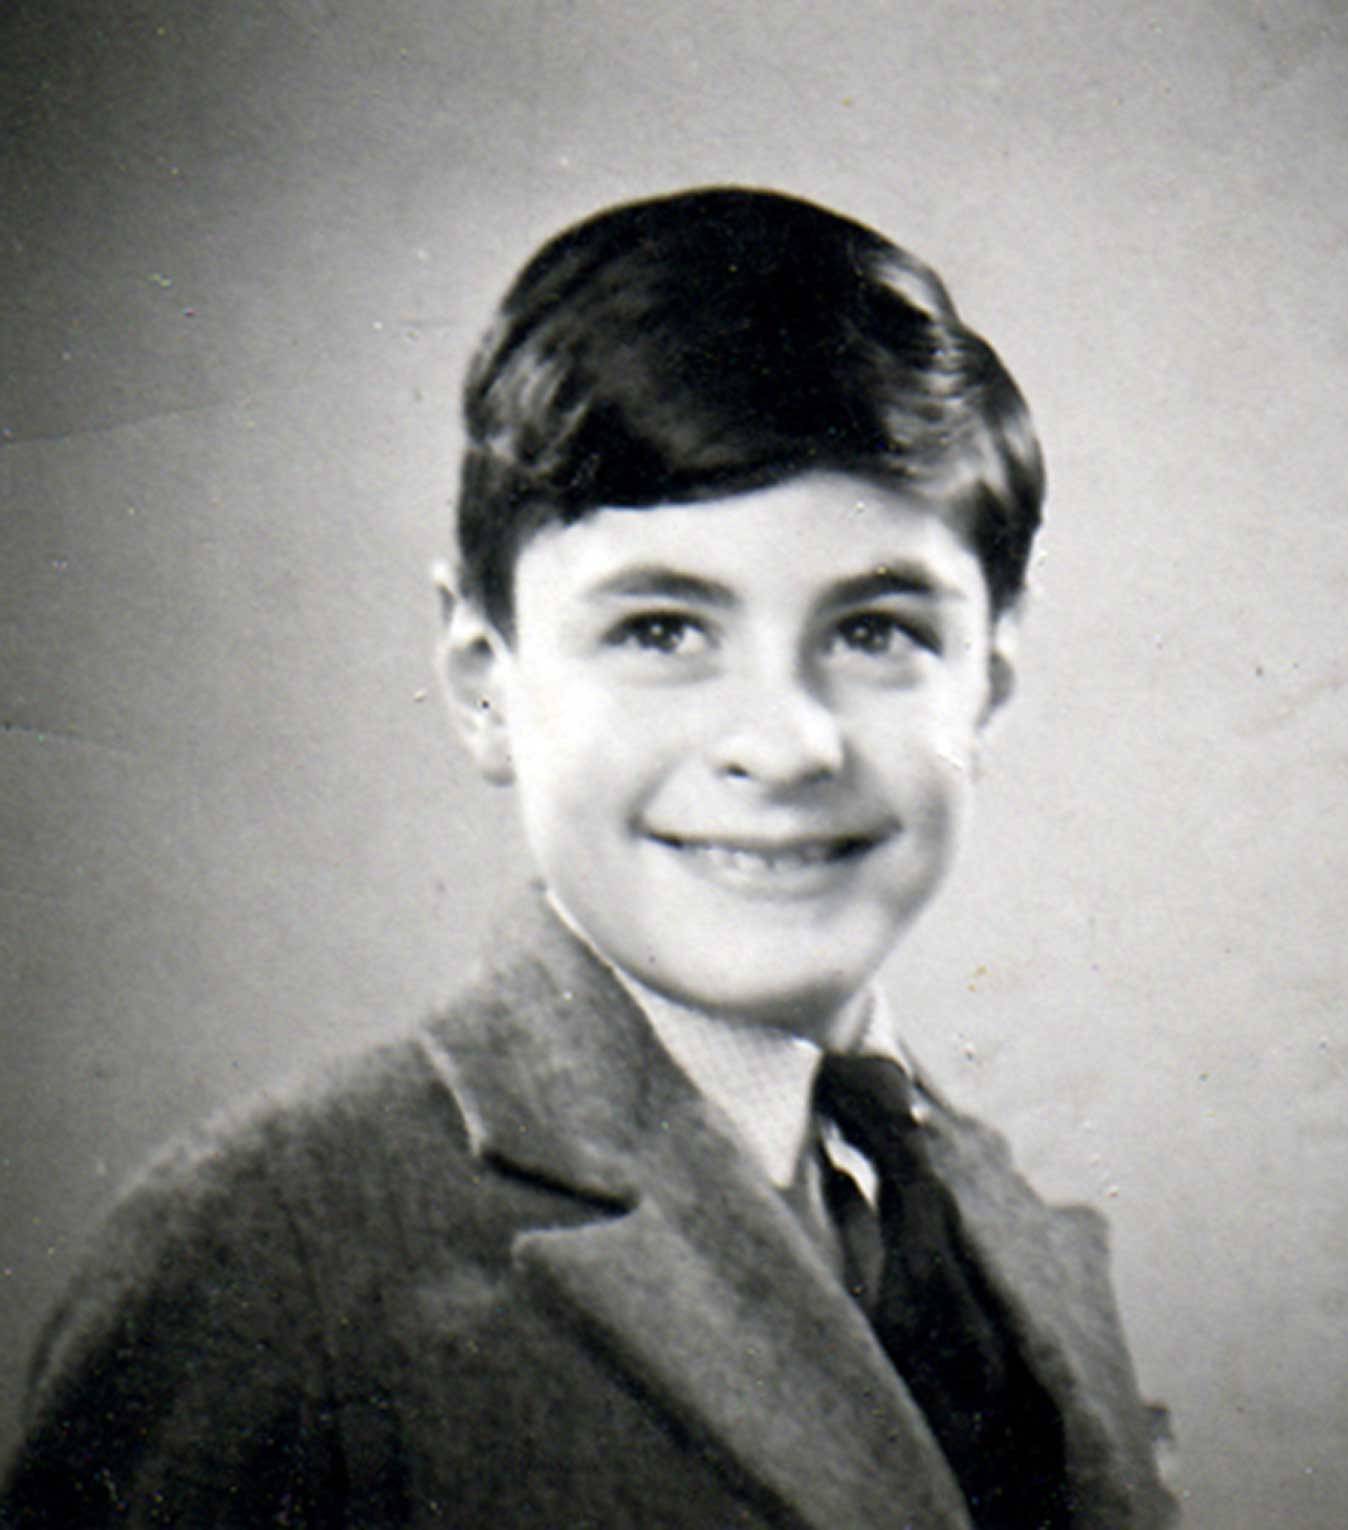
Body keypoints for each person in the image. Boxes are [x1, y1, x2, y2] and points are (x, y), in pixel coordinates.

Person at [1, 187, 1176, 1528]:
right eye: (662, 630)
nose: (785, 744)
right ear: (483, 681)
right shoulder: (275, 1253)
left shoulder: (1000, 1228)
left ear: (991, 683)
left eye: (876, 632)